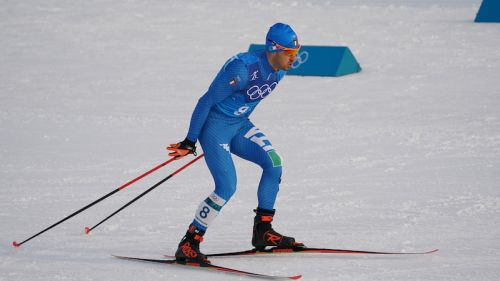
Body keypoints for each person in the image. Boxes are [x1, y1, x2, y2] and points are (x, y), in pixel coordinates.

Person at [167, 23, 304, 264]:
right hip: (214, 130)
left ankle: (263, 231)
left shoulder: (280, 71)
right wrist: (190, 140)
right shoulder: (242, 69)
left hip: (239, 125)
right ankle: (189, 243)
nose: (294, 59)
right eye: (289, 53)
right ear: (274, 49)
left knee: (274, 164)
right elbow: (205, 101)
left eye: (296, 52)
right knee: (227, 187)